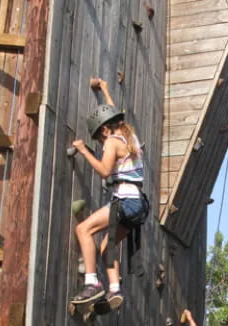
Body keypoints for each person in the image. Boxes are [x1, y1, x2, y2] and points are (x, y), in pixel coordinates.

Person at [70, 79, 149, 310]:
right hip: (139, 206)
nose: (101, 142)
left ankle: (92, 283)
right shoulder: (129, 136)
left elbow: (105, 172)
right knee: (107, 248)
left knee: (83, 229)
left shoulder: (112, 141)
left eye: (100, 137)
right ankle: (115, 289)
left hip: (124, 201)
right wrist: (104, 88)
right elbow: (113, 110)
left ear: (105, 129)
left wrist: (84, 150)